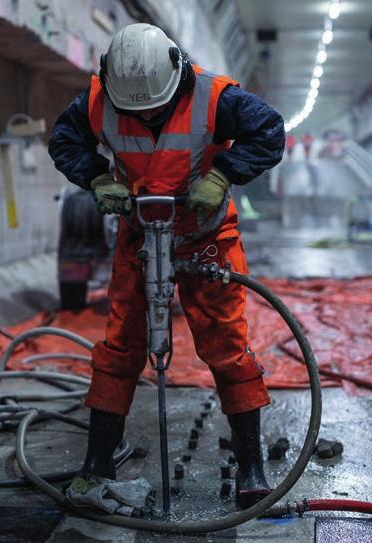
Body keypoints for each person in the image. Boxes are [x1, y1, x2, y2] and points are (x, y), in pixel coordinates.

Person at [49, 23, 285, 509]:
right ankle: (96, 463)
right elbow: (65, 142)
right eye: (135, 110)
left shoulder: (216, 98)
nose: (146, 115)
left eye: (154, 107)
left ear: (176, 76)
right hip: (140, 231)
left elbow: (269, 131)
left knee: (226, 345)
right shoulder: (97, 100)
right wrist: (97, 179)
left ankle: (251, 465)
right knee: (120, 343)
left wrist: (223, 176)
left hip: (206, 236)